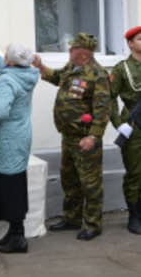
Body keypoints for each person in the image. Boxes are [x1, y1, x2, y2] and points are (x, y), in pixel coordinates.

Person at [33, 33, 110, 241]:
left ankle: (93, 224)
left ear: (84, 54)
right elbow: (57, 78)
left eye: (72, 49)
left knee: (90, 182)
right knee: (70, 179)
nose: (69, 52)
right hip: (68, 136)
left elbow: (103, 110)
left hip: (85, 139)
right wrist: (41, 67)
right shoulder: (71, 68)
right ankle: (72, 218)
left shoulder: (98, 75)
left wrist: (93, 136)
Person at [0, 39, 39, 253]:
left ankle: (18, 238)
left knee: (9, 185)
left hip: (6, 139)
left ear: (9, 60)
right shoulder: (27, 74)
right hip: (19, 135)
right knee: (15, 181)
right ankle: (13, 232)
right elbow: (9, 69)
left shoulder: (6, 82)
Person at [109, 26, 141, 234]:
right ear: (130, 43)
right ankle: (135, 215)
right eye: (139, 39)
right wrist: (119, 123)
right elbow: (109, 97)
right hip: (134, 125)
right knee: (135, 173)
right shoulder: (122, 69)